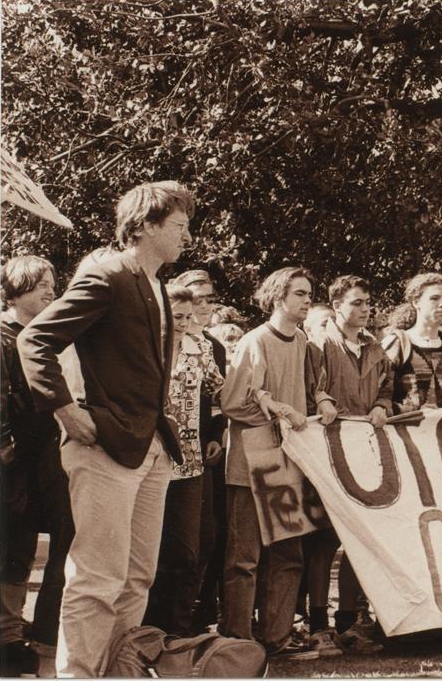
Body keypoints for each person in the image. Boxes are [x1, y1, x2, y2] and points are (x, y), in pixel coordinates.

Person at [17, 181, 194, 677]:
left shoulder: (154, 284)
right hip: (106, 447)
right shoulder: (108, 274)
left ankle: (117, 672)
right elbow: (34, 340)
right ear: (147, 226)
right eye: (179, 226)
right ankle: (78, 675)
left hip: (149, 447)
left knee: (137, 578)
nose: (187, 237)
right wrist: (65, 411)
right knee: (98, 578)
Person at [219, 267, 338, 657]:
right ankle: (237, 642)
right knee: (245, 558)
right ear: (277, 297)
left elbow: (311, 389)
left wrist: (320, 400)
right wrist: (280, 412)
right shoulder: (255, 341)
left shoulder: (302, 340)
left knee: (288, 555)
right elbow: (233, 402)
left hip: (288, 464)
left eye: (309, 294)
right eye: (299, 293)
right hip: (250, 465)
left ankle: (277, 637)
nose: (307, 300)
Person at [302, 275, 391, 656]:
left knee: (360, 538)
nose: (365, 309)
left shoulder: (376, 348)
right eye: (356, 302)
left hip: (365, 452)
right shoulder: (318, 344)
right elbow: (309, 388)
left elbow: (387, 388)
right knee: (324, 540)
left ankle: (349, 622)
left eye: (367, 302)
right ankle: (317, 625)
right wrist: (322, 399)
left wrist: (382, 405)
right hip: (327, 451)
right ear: (337, 305)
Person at [0, 255, 61, 677]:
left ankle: (13, 634)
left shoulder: (44, 334)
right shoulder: (2, 336)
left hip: (42, 457)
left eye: (53, 284)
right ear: (18, 287)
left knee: (22, 549)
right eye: (42, 285)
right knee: (10, 547)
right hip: (11, 460)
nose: (51, 291)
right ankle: (5, 639)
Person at [167, 269, 229, 635]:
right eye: (192, 302)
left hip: (193, 459)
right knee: (155, 548)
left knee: (196, 544)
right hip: (153, 456)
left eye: (207, 300)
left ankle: (183, 625)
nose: (199, 309)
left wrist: (217, 433)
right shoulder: (151, 341)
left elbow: (220, 395)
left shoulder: (207, 347)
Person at [381, 273, 442, 412]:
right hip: (407, 425)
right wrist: (411, 411)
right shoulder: (398, 343)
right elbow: (381, 395)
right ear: (416, 302)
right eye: (434, 298)